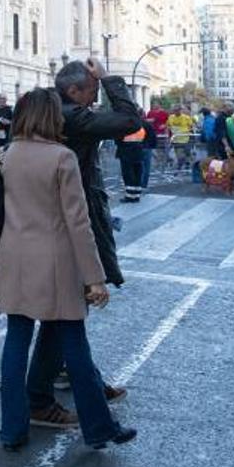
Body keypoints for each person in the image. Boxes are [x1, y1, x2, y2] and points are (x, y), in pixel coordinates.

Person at [0, 87, 137, 452]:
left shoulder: (8, 154)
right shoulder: (62, 157)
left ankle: (12, 429)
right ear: (49, 116)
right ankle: (99, 427)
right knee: (74, 346)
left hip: (14, 256)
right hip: (55, 262)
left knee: (15, 341)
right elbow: (78, 222)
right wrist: (95, 278)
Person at [23, 59, 140, 424]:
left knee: (66, 314)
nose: (95, 98)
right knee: (67, 313)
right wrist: (109, 79)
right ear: (73, 91)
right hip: (70, 217)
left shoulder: (54, 111)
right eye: (91, 91)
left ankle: (76, 377)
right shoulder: (73, 116)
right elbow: (129, 121)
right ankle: (43, 398)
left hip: (52, 215)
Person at [115, 121, 151, 203]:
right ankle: (136, 195)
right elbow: (150, 137)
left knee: (128, 175)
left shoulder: (124, 125)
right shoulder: (144, 124)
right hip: (139, 151)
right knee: (138, 173)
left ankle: (130, 196)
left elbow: (118, 139)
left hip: (126, 152)